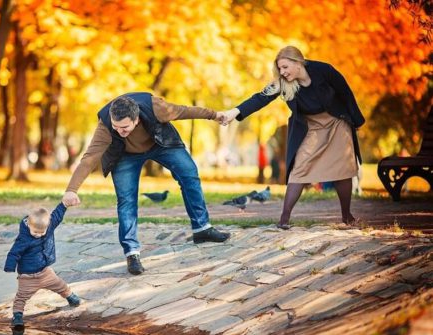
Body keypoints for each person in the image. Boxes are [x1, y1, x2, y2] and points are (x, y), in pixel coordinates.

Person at [62, 93, 230, 275]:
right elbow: (89, 158)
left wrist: (214, 115)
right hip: (125, 155)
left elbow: (184, 111)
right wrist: (71, 190)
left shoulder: (155, 107)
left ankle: (202, 228)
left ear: (136, 119)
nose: (120, 131)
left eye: (124, 127)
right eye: (116, 127)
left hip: (160, 143)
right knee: (126, 200)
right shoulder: (106, 125)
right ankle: (132, 253)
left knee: (189, 174)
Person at [218, 46, 365, 229]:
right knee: (299, 168)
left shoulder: (323, 70)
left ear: (298, 63)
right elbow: (259, 99)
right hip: (312, 126)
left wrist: (356, 120)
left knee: (342, 169)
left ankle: (347, 216)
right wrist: (234, 113)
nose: (282, 72)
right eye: (280, 68)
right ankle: (284, 219)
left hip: (336, 121)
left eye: (285, 67)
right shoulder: (283, 83)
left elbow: (345, 92)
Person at [4, 202, 81, 327]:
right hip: (27, 277)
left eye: (42, 232)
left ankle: (70, 297)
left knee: (60, 285)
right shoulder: (24, 238)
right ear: (28, 224)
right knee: (21, 297)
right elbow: (14, 253)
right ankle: (17, 316)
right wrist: (10, 266)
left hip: (45, 272)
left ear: (47, 225)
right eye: (35, 232)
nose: (38, 235)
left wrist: (64, 204)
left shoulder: (49, 225)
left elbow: (57, 216)